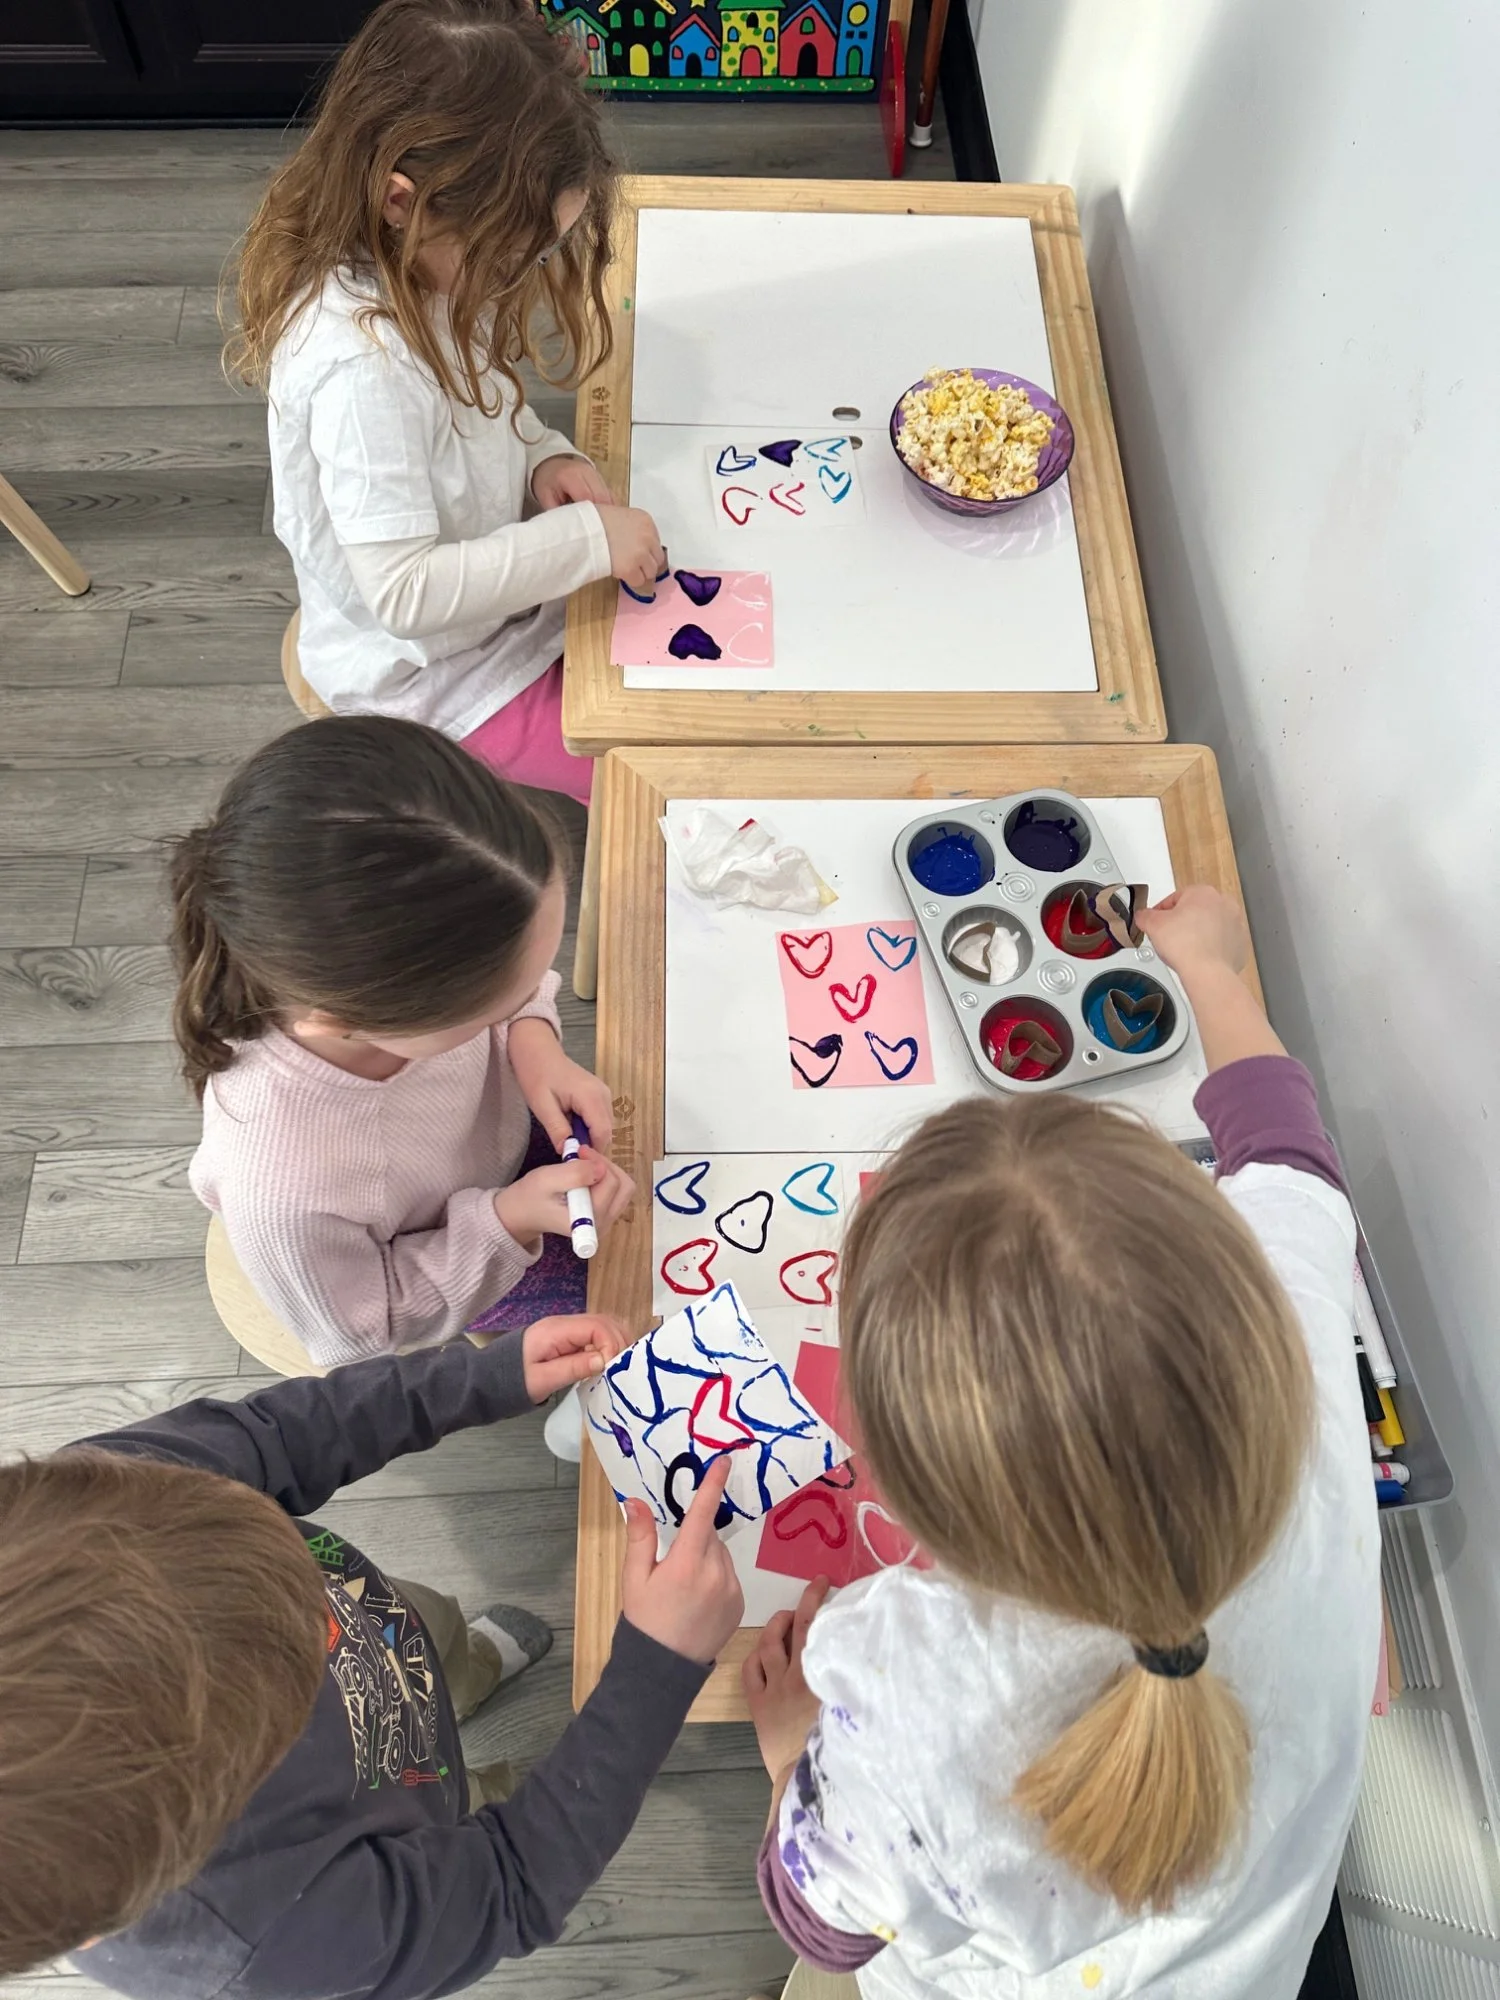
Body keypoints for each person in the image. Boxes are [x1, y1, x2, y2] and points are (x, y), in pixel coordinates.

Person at [744, 885, 1381, 1999]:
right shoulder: (1316, 1385)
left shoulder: (895, 1679)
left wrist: (789, 1750)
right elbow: (1287, 1148)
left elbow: (820, 1920)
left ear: (899, 1497)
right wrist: (1215, 970)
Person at [0, 1331, 744, 1995]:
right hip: (392, 1811)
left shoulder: (96, 1505)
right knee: (458, 1819)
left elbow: (280, 1436)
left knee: (438, 1643)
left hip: (393, 1640)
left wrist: (480, 1376)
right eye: (296, 1667)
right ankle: (466, 1791)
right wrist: (657, 1666)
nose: (313, 1621)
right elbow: (513, 1880)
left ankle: (469, 1671)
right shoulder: (270, 1942)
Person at [231, 0, 666, 806]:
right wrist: (583, 539)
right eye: (517, 249)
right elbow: (403, 596)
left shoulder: (417, 266)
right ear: (404, 201)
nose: (527, 270)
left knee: (668, 681)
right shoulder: (358, 368)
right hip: (431, 675)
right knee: (651, 773)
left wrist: (544, 456)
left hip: (491, 595)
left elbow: (482, 399)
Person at [173, 715, 633, 1385]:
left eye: (534, 979)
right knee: (644, 1303)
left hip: (497, 1159)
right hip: (451, 1255)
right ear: (345, 1022)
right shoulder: (285, 1188)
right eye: (501, 1005)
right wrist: (506, 1221)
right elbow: (366, 1327)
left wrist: (532, 1040)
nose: (534, 994)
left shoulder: (398, 985)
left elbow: (502, 976)